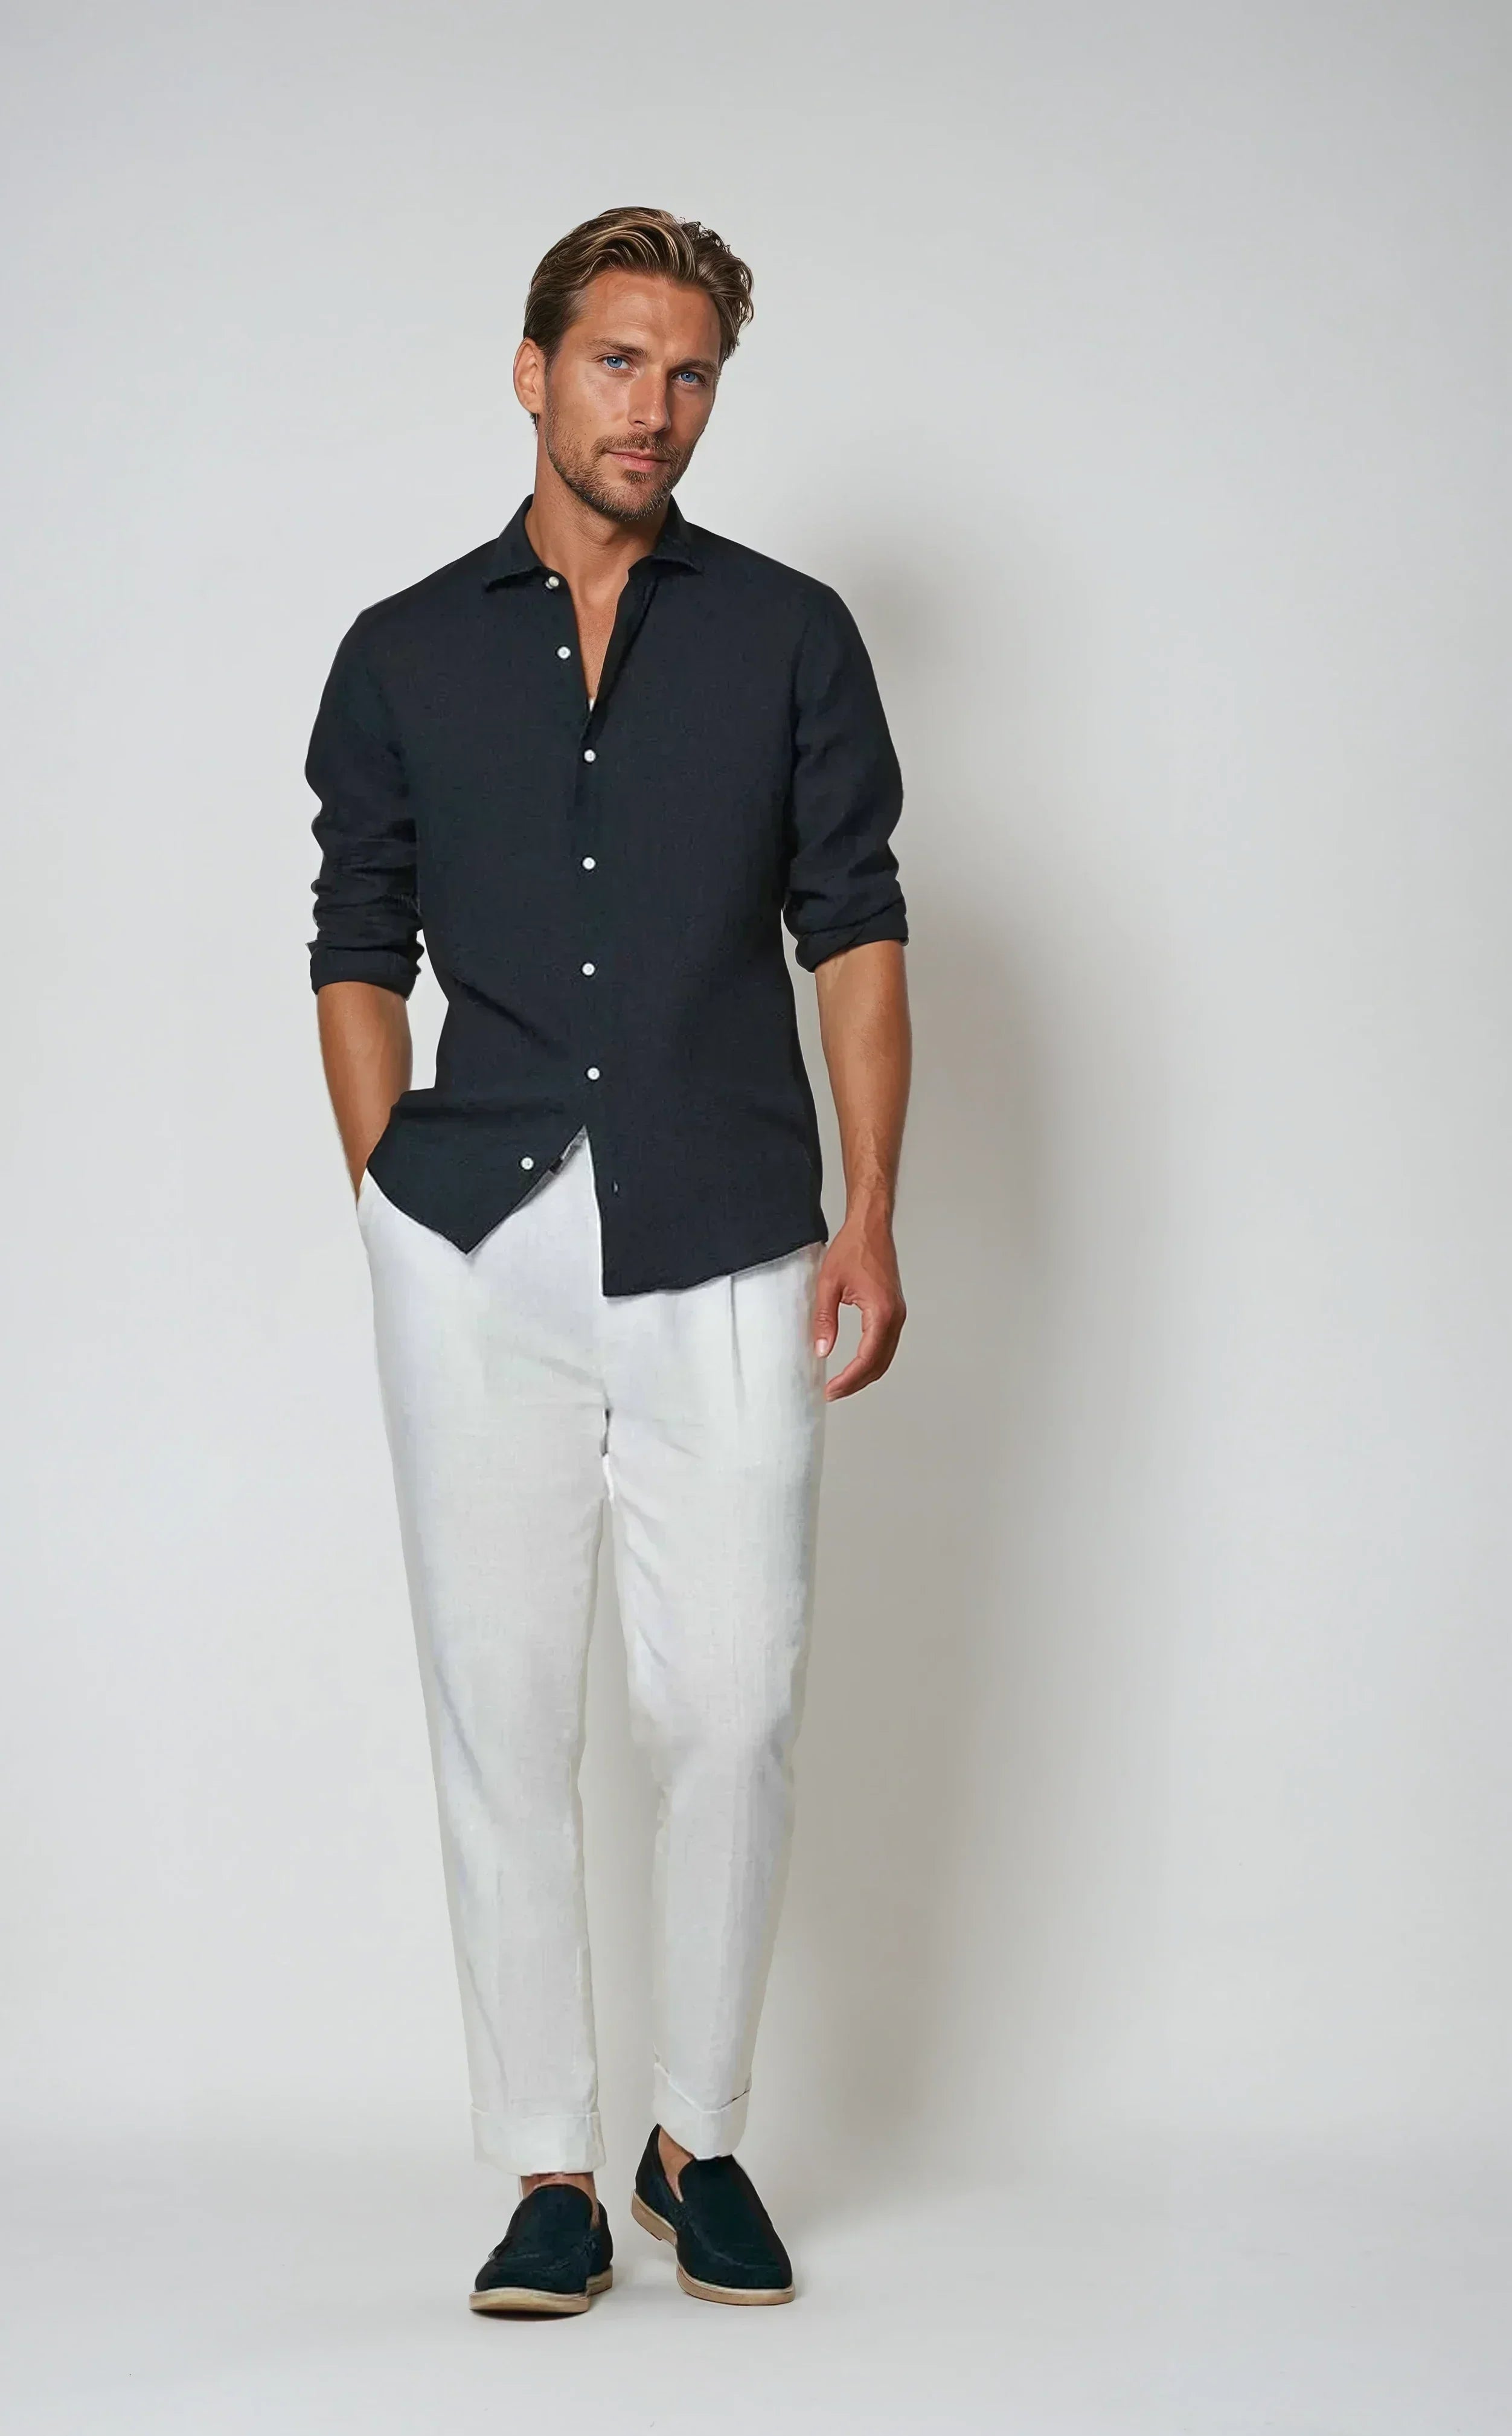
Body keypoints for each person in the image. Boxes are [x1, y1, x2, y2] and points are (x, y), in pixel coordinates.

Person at [306, 206, 911, 2315]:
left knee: (731, 1703)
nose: (655, 407)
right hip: (474, 1237)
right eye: (618, 362)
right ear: (534, 372)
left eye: (691, 372)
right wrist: (388, 1199)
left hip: (729, 1225)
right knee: (497, 1708)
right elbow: (355, 940)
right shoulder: (400, 652)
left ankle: (695, 2136)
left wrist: (870, 1206)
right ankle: (549, 2165)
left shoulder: (790, 635)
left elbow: (856, 927)